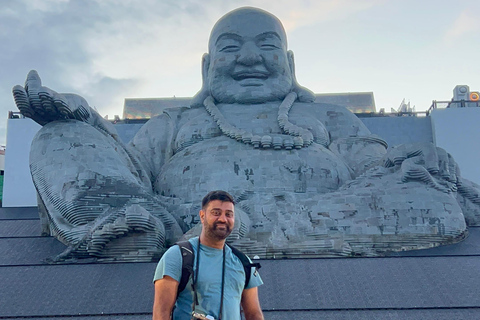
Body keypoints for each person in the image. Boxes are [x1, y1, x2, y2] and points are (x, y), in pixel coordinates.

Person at [11, 7, 479, 261]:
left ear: (290, 65)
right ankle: (139, 229)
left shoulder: (329, 117)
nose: (250, 58)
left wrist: (419, 166)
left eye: (267, 46)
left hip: (318, 213)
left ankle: (205, 232)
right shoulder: (175, 122)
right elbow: (128, 172)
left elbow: (377, 167)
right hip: (167, 210)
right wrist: (84, 124)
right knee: (57, 138)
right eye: (231, 48)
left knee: (428, 188)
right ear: (207, 65)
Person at [152, 190, 264, 320]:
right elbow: (161, 313)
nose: (223, 219)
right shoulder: (178, 255)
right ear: (202, 215)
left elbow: (254, 314)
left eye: (229, 214)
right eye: (216, 213)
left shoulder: (243, 262)